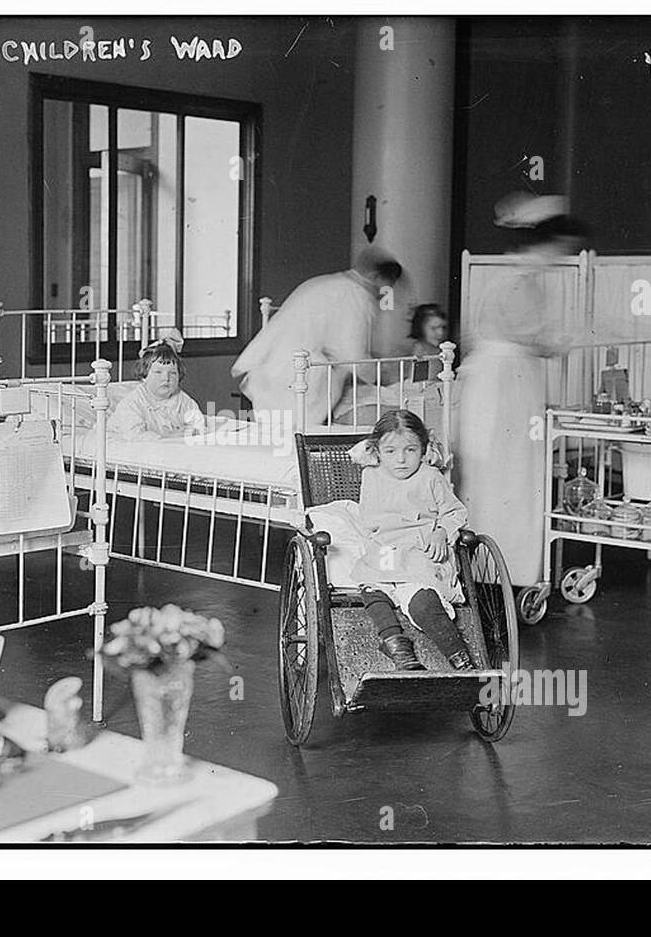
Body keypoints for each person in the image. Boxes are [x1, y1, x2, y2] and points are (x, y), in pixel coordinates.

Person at [455, 193, 586, 588]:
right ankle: (500, 573)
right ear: (547, 243)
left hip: (497, 382)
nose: (563, 255)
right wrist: (556, 343)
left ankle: (489, 572)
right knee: (509, 478)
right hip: (506, 385)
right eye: (562, 248)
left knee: (498, 478)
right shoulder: (521, 280)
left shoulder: (509, 276)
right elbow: (527, 336)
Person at [350, 410, 476, 673]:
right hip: (386, 546)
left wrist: (441, 531)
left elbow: (455, 512)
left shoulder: (430, 477)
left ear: (423, 449)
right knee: (375, 585)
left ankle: (459, 656)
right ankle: (395, 643)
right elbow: (361, 455)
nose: (401, 459)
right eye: (391, 451)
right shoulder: (371, 474)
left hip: (420, 547)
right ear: (377, 452)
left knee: (422, 597)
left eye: (410, 450)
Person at [231, 246, 403, 427]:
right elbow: (352, 353)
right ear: (376, 277)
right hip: (296, 374)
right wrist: (379, 375)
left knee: (276, 437)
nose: (383, 293)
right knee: (297, 436)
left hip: (271, 367)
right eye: (386, 287)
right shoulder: (357, 295)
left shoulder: (326, 283)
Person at [109, 330, 206, 441]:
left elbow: (198, 425)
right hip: (132, 444)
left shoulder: (183, 401)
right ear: (144, 376)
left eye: (173, 373)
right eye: (158, 372)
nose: (166, 378)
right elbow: (135, 435)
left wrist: (191, 431)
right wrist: (171, 436)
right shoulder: (133, 403)